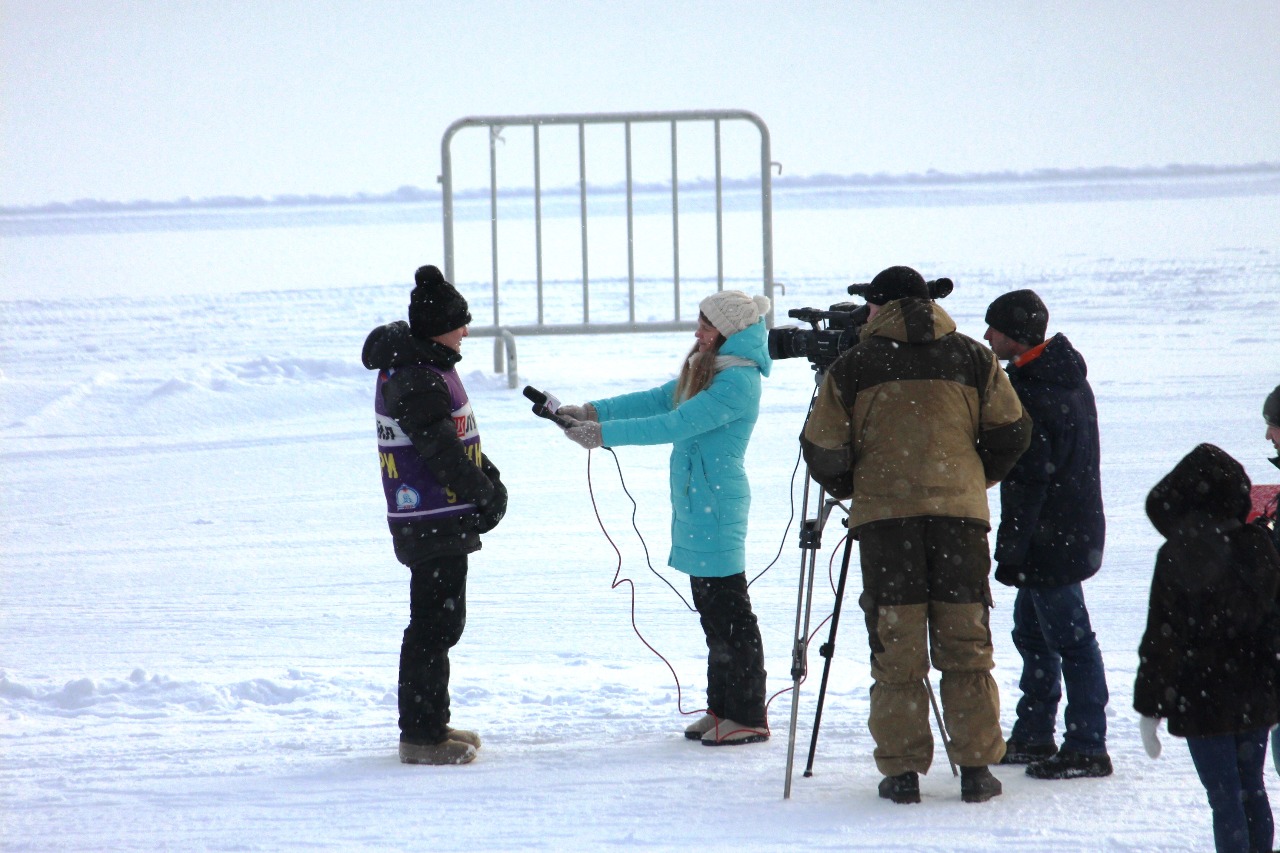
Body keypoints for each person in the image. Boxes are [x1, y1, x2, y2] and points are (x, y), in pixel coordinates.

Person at [800, 266, 1032, 804]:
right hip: (960, 522)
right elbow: (1013, 430)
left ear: (880, 307)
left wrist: (855, 484)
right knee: (966, 641)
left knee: (897, 643)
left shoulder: (854, 364)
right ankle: (976, 768)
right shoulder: (974, 356)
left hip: (887, 524)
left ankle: (903, 772)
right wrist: (973, 477)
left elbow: (823, 446)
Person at [558, 290, 773, 746]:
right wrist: (594, 412)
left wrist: (602, 434)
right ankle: (722, 709)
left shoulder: (738, 381)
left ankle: (748, 715)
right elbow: (660, 400)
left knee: (730, 613)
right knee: (712, 614)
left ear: (728, 331)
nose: (698, 333)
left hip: (718, 507)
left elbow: (674, 423)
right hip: (698, 503)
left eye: (706, 327)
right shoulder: (710, 368)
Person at [361, 264, 508, 766]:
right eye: (459, 322)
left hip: (437, 516)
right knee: (432, 627)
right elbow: (441, 453)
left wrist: (488, 480)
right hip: (428, 518)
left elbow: (456, 439)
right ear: (439, 326)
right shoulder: (418, 376)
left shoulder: (426, 364)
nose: (465, 330)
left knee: (441, 624)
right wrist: (483, 492)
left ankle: (433, 724)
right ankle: (421, 736)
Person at [982, 290, 1112, 779]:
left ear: (1015, 335)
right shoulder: (1061, 376)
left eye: (994, 329)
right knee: (1034, 634)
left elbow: (1029, 482)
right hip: (1070, 529)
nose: (987, 336)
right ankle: (1035, 733)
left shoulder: (1034, 392)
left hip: (1051, 538)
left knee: (1071, 642)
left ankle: (1086, 745)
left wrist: (1012, 550)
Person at [1135, 443, 1280, 853]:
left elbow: (1162, 639)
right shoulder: (1259, 544)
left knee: (1224, 798)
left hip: (1202, 697)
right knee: (1252, 788)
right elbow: (1273, 623)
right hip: (1255, 691)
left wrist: (1151, 706)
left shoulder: (1176, 554)